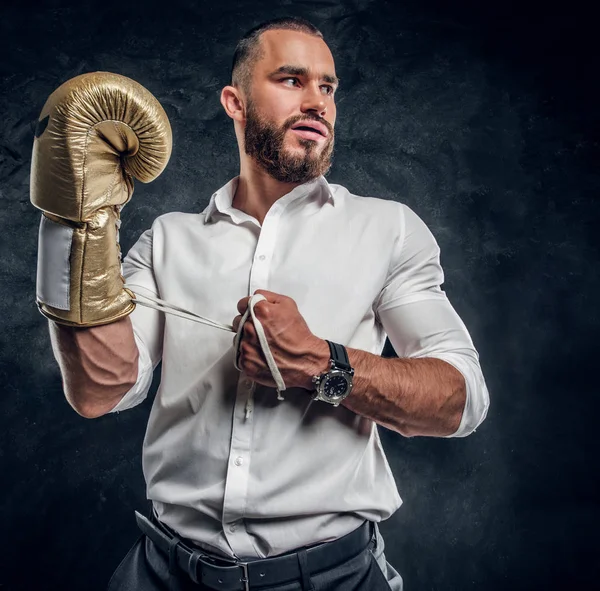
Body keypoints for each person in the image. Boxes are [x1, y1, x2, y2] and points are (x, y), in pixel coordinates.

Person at [35, 16, 490, 591]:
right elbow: (100, 389)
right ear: (236, 101)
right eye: (291, 80)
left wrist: (325, 365)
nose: (317, 102)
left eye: (327, 87)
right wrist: (71, 223)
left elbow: (463, 399)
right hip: (164, 573)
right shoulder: (169, 238)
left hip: (333, 579)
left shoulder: (389, 229)